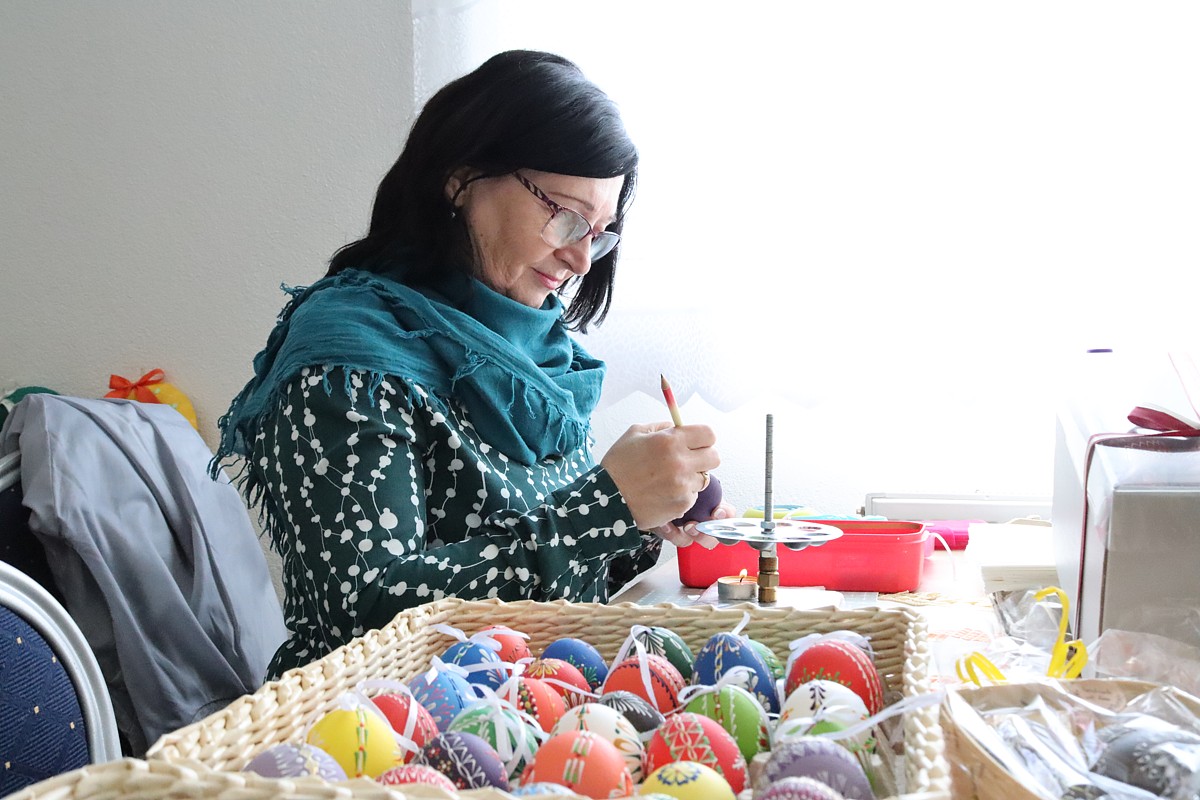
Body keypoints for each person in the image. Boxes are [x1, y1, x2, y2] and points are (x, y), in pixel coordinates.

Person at [214, 50, 732, 678]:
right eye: (566, 217)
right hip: (378, 720)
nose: (581, 259)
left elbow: (550, 578)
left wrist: (644, 519)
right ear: (462, 181)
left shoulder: (539, 358)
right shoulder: (348, 362)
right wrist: (605, 508)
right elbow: (364, 618)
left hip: (526, 699)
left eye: (599, 233)